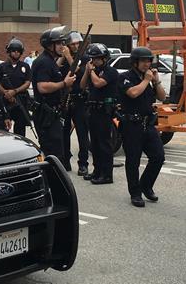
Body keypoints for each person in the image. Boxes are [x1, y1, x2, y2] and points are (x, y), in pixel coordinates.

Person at [118, 47, 167, 208]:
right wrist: (146, 80)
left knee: (158, 156)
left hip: (148, 124)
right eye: (144, 61)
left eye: (149, 61)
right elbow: (132, 93)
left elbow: (162, 97)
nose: (147, 64)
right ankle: (135, 193)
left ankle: (146, 185)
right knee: (133, 160)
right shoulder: (125, 77)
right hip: (131, 125)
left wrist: (156, 81)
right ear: (135, 62)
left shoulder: (150, 78)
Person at [31, 27, 76, 168]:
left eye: (63, 43)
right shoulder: (44, 62)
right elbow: (42, 87)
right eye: (59, 43)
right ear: (50, 45)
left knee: (57, 152)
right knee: (54, 154)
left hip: (52, 114)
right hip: (46, 115)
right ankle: (52, 181)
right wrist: (64, 83)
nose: (63, 46)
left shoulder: (51, 61)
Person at [80, 43, 118, 185]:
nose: (94, 61)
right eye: (92, 59)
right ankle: (97, 170)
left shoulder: (110, 71)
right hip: (93, 110)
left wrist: (91, 72)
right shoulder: (93, 71)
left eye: (96, 58)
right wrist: (86, 72)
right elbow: (82, 86)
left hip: (104, 111)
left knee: (104, 143)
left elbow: (98, 83)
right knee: (94, 143)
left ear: (104, 58)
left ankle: (107, 174)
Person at [59, 31, 91, 176]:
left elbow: (77, 70)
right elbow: (56, 68)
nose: (76, 46)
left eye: (78, 43)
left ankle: (83, 164)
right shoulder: (63, 58)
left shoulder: (85, 58)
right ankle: (65, 160)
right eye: (72, 44)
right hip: (65, 99)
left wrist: (68, 56)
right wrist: (62, 56)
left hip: (79, 99)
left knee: (82, 133)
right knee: (63, 132)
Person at [0, 38, 32, 137]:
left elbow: (27, 82)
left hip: (20, 101)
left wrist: (15, 91)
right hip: (5, 101)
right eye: (14, 50)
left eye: (18, 51)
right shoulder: (2, 66)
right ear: (9, 51)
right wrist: (6, 93)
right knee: (3, 130)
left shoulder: (25, 66)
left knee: (20, 131)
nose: (16, 53)